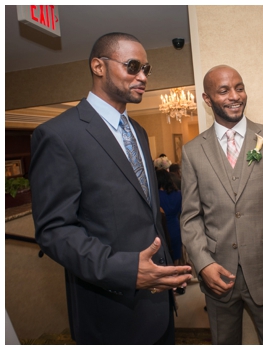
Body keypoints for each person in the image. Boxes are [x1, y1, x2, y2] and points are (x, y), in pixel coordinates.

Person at [30, 32, 192, 344]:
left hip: (158, 304)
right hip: (111, 313)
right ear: (98, 66)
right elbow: (55, 230)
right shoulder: (59, 135)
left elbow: (147, 214)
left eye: (147, 69)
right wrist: (127, 270)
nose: (142, 76)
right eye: (133, 67)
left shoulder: (139, 132)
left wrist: (167, 266)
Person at [180, 65, 263, 345]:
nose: (235, 96)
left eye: (239, 88)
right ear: (207, 99)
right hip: (218, 275)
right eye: (224, 90)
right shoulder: (192, 152)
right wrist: (203, 264)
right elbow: (191, 218)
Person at [156, 170, 183, 266]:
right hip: (175, 226)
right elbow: (182, 212)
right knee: (176, 255)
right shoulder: (178, 194)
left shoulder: (156, 196)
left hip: (162, 228)